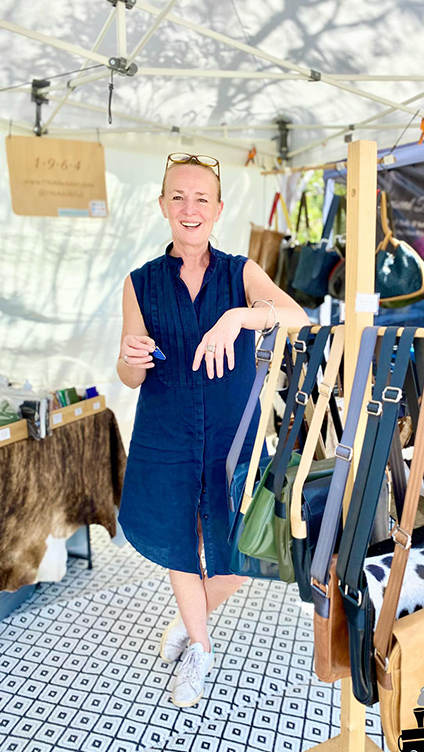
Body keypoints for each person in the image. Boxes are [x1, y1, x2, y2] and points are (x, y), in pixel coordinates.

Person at [116, 153, 310, 707]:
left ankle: (186, 619)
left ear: (219, 209)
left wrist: (241, 316)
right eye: (178, 197)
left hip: (232, 433)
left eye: (201, 198)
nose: (189, 208)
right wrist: (129, 358)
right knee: (182, 542)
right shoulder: (140, 284)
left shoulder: (241, 273)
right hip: (166, 431)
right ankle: (199, 648)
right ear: (162, 207)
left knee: (243, 553)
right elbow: (130, 375)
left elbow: (298, 318)